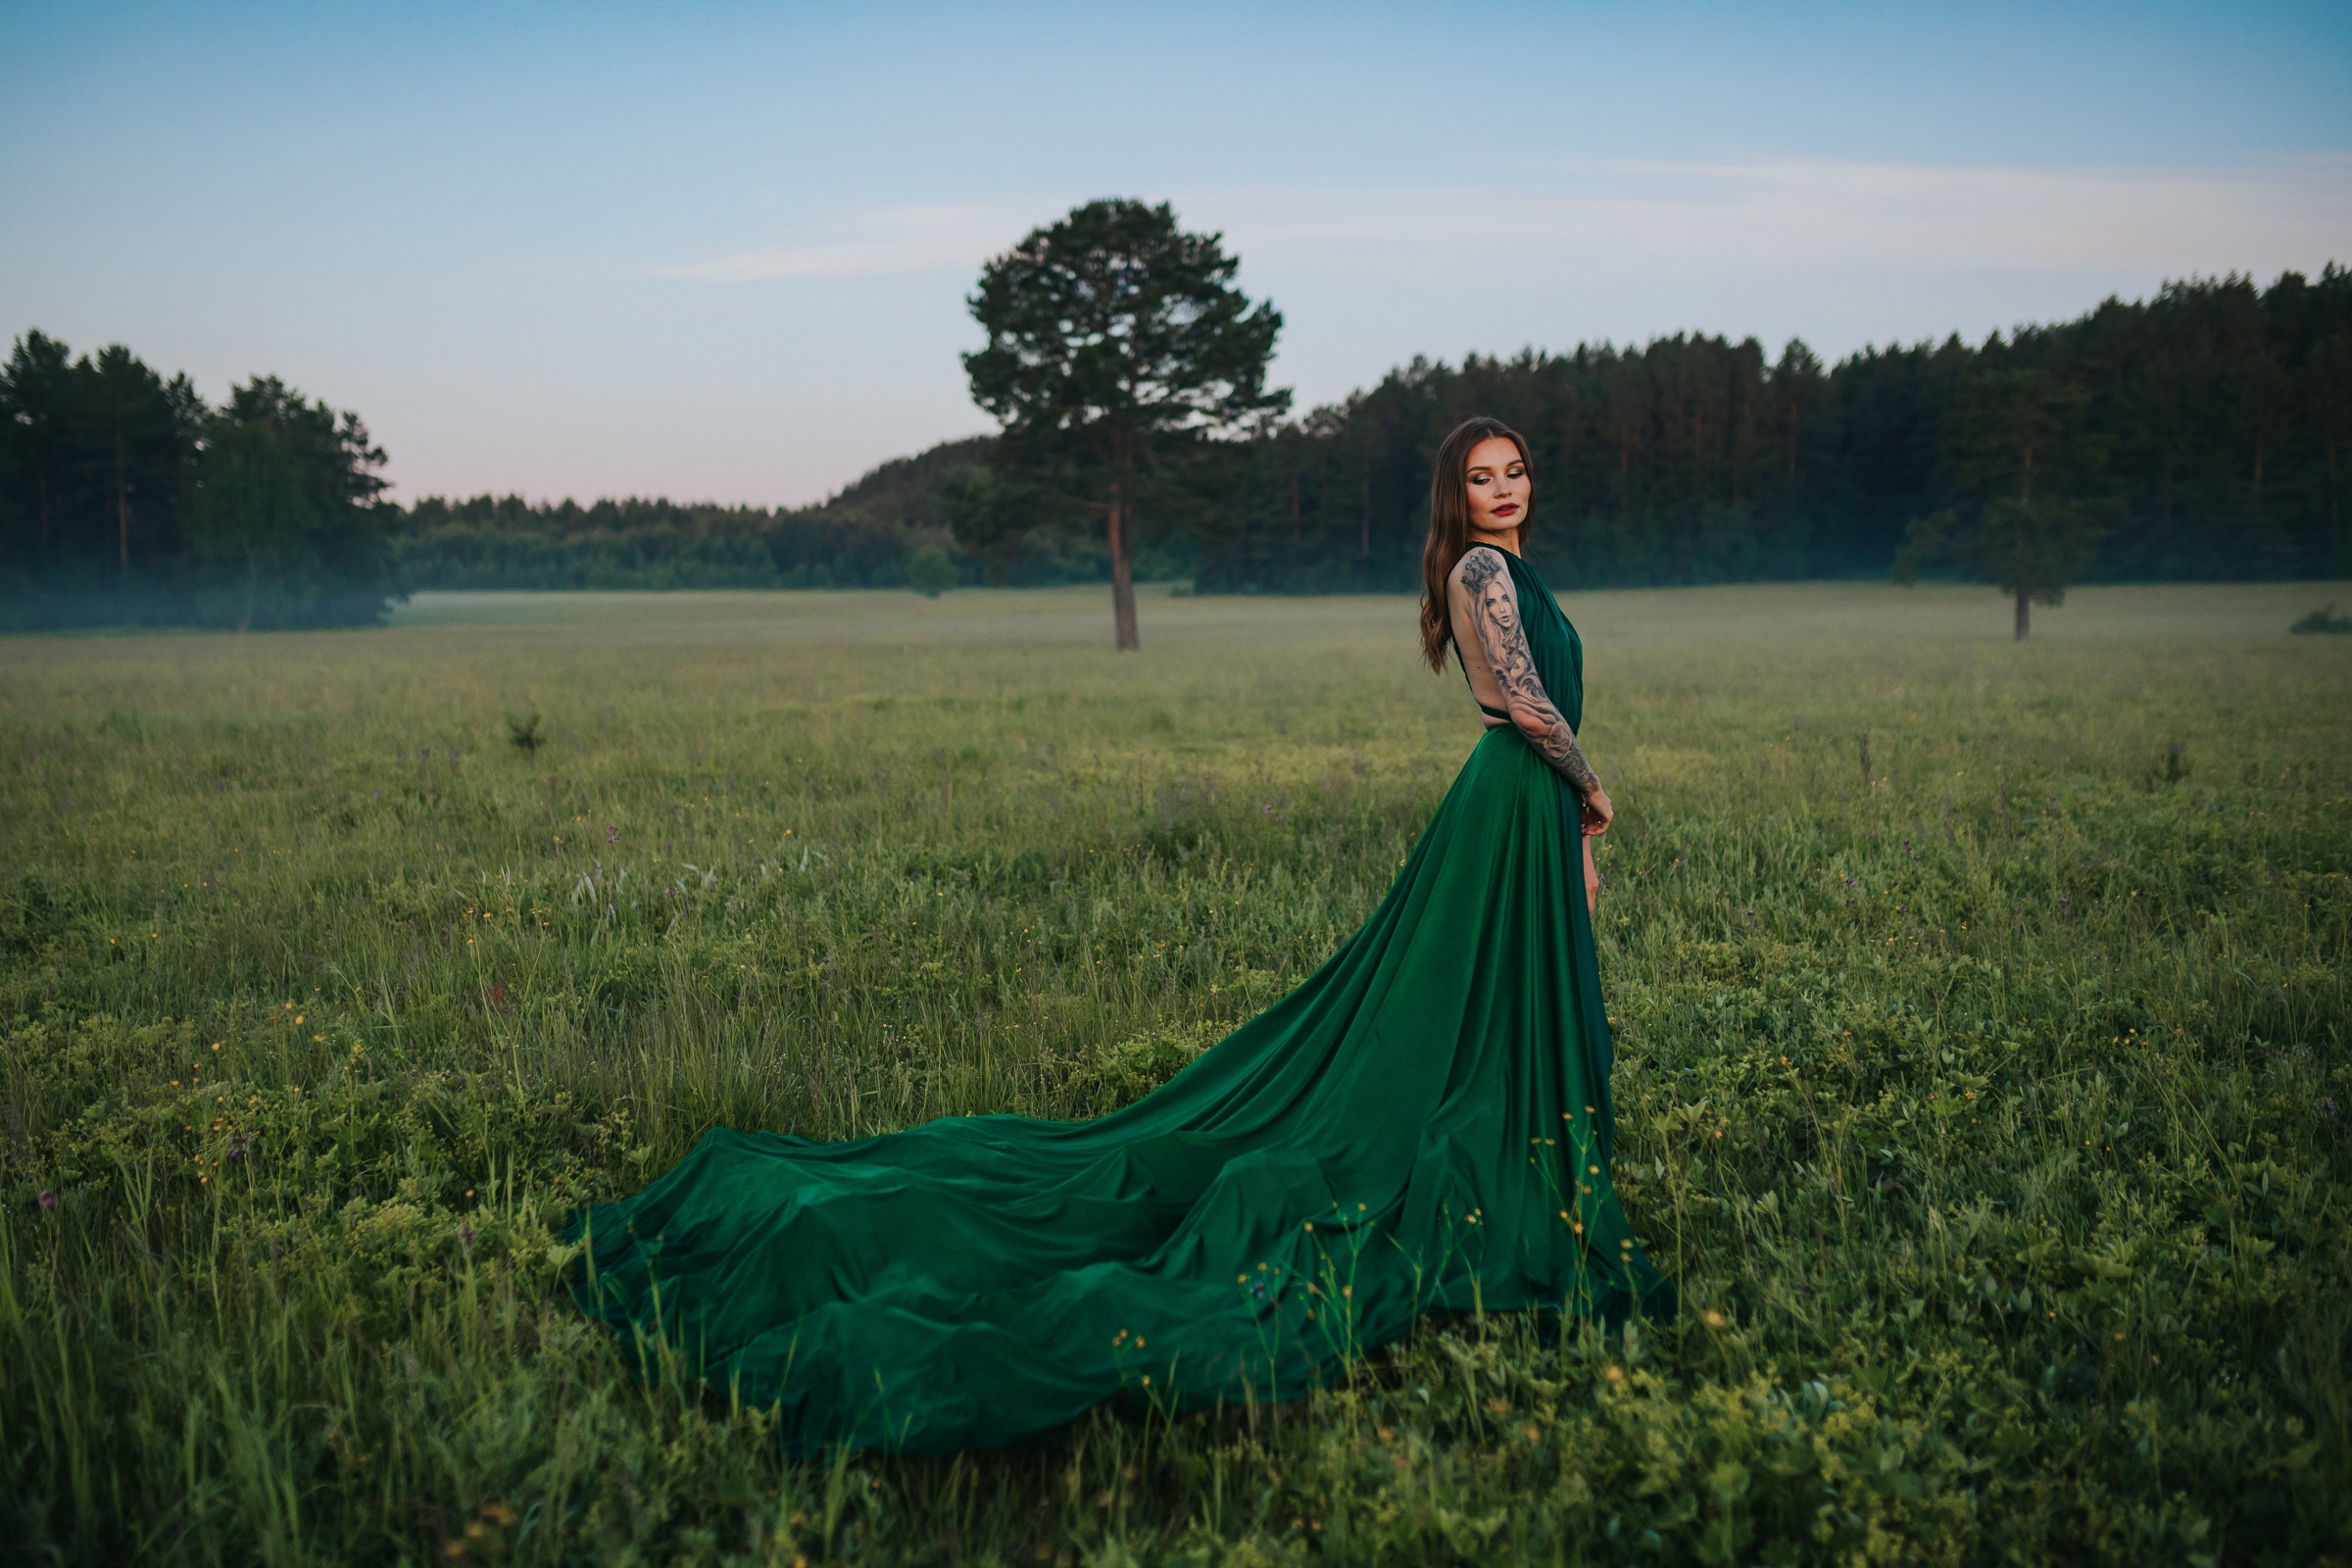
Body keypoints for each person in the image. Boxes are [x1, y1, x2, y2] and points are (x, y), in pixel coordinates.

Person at [568, 416, 1673, 1455]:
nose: (1502, 488)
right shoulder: (1483, 570)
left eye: (1513, 470)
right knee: (1444, 1023)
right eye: (1480, 476)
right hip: (1514, 796)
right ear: (1457, 494)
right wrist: (1593, 788)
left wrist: (1573, 828)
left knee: (1499, 1007)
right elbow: (1529, 708)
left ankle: (1515, 1159)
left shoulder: (1516, 570)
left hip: (1526, 810)